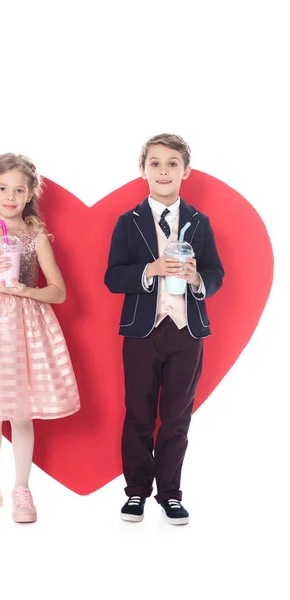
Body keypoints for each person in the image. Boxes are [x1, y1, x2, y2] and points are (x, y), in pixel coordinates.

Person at [0, 153, 80, 522]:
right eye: (2, 188)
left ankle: (21, 488)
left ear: (29, 195)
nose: (10, 196)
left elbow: (59, 291)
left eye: (18, 190)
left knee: (22, 412)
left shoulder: (35, 236)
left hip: (25, 325)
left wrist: (26, 290)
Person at [104, 134, 224, 525]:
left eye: (172, 163)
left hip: (187, 331)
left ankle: (170, 494)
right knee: (138, 413)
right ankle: (136, 492)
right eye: (155, 163)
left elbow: (215, 273)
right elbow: (112, 276)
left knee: (177, 417)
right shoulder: (128, 222)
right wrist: (149, 270)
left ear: (185, 171)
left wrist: (196, 281)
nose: (163, 171)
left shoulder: (199, 223)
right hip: (142, 331)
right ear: (143, 171)